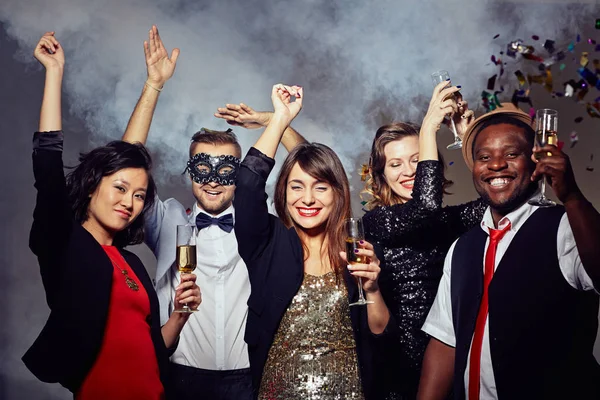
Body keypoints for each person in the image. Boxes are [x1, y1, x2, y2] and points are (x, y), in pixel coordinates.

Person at [121, 26, 305, 400]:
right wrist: (153, 86)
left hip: (249, 379)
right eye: (202, 170)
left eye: (225, 171)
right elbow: (121, 167)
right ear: (190, 173)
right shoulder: (167, 221)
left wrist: (274, 120)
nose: (213, 182)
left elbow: (314, 169)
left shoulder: (263, 229)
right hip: (181, 377)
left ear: (240, 176)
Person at [23, 32, 200, 399]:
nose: (129, 202)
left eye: (138, 196)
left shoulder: (132, 262)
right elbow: (48, 165)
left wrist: (180, 315)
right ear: (91, 187)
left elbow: (156, 349)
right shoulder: (65, 243)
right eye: (119, 190)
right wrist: (54, 73)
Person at [418, 104, 600, 400]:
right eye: (484, 157)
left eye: (511, 154)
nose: (496, 165)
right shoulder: (461, 248)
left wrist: (572, 196)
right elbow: (445, 343)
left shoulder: (567, 226)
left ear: (535, 162)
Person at [234, 83, 395, 400]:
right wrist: (279, 119)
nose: (307, 198)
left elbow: (380, 334)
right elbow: (248, 183)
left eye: (320, 187)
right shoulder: (267, 242)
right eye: (296, 187)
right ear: (283, 192)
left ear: (338, 194)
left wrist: (373, 289)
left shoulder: (358, 249)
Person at [361, 82, 486, 399]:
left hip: (451, 359)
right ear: (381, 174)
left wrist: (469, 142)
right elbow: (424, 205)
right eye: (395, 163)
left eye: (417, 159)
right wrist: (430, 125)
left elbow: (496, 199)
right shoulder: (377, 222)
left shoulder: (446, 221)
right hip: (396, 368)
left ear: (433, 162)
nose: (408, 171)